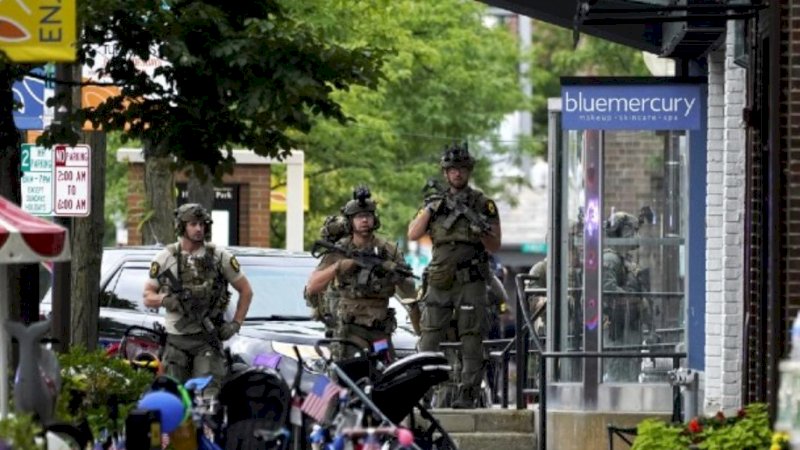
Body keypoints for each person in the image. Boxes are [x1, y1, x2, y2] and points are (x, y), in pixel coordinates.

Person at [407, 143, 502, 408]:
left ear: (469, 171)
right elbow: (413, 233)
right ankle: (421, 391)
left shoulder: (484, 204)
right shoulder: (434, 204)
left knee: (472, 338)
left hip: (470, 280)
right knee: (429, 338)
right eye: (452, 170)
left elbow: (496, 245)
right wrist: (431, 208)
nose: (457, 174)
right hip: (440, 280)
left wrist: (481, 230)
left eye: (461, 169)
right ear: (445, 173)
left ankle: (467, 393)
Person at [143, 203, 253, 395]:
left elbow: (246, 291)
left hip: (207, 340)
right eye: (193, 224)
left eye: (202, 224)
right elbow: (147, 296)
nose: (199, 228)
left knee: (208, 396)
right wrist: (166, 300)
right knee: (174, 397)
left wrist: (235, 324)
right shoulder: (166, 257)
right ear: (182, 226)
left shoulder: (219, 257)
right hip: (176, 341)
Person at [306, 186, 415, 361]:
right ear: (350, 222)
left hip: (380, 331)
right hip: (351, 331)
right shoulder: (340, 249)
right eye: (359, 217)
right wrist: (339, 267)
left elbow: (409, 291)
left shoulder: (388, 250)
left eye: (368, 216)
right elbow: (312, 286)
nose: (364, 220)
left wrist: (397, 277)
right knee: (352, 376)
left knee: (386, 376)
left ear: (375, 219)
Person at [602, 210, 649, 382]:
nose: (636, 235)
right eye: (632, 230)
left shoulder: (623, 260)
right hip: (617, 330)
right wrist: (636, 301)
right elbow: (608, 293)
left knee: (630, 374)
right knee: (618, 375)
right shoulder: (610, 259)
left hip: (629, 329)